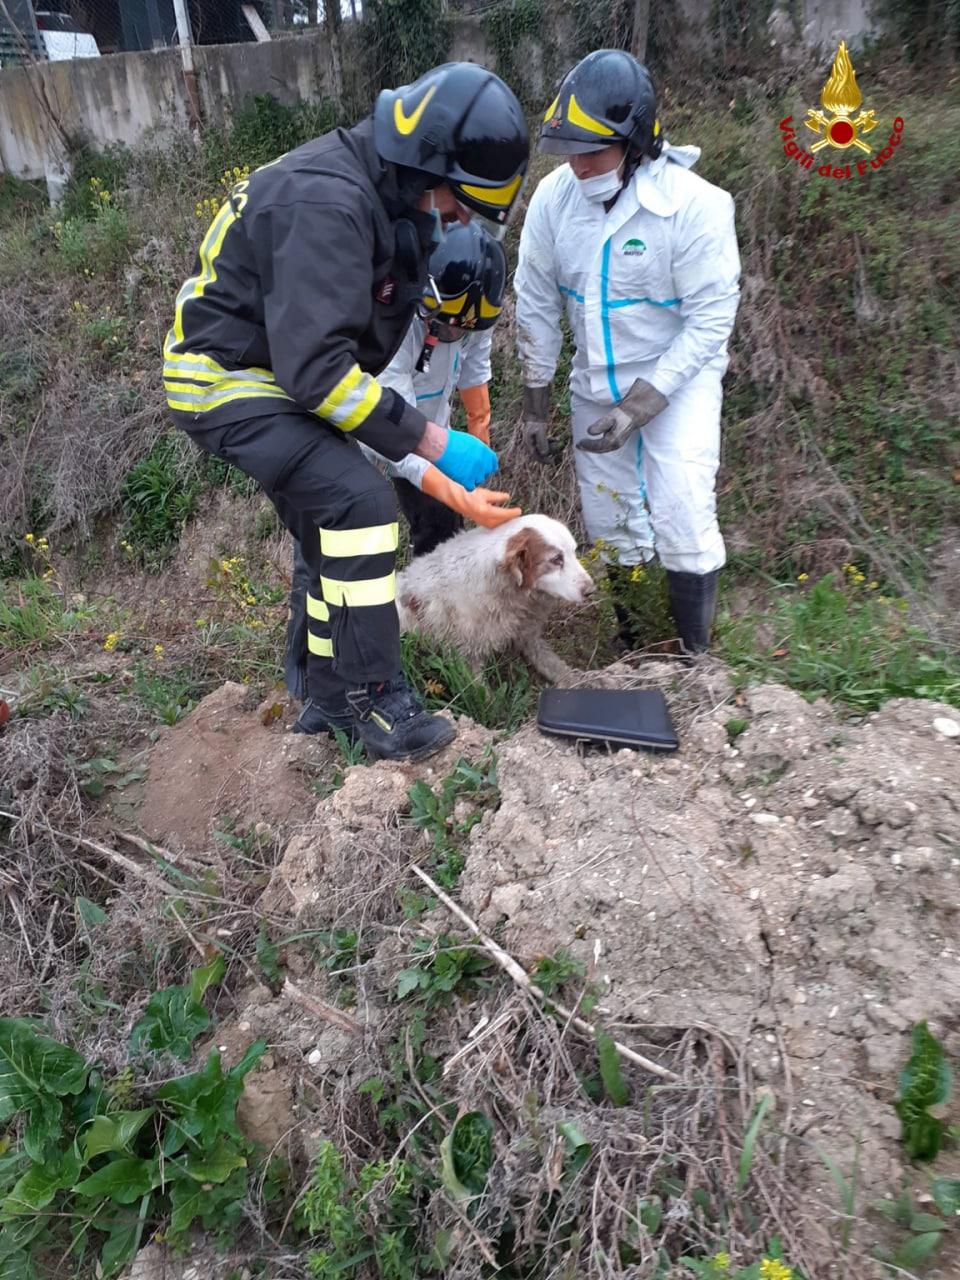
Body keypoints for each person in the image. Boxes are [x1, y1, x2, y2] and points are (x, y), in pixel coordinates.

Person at [163, 62, 529, 761]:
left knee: (330, 533)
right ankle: (375, 704)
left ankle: (328, 699)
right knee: (361, 506)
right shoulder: (327, 202)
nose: (454, 217)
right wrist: (429, 440)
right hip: (225, 379)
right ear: (429, 162)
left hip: (269, 375)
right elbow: (320, 370)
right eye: (457, 201)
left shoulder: (374, 189)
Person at [515, 49, 741, 654]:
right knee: (613, 522)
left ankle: (695, 661)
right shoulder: (553, 203)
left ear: (636, 142)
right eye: (570, 150)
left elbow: (711, 320)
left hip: (676, 383)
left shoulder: (695, 207)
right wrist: (536, 402)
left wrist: (640, 407)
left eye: (594, 150)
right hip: (595, 383)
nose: (579, 164)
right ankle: (637, 650)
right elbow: (534, 300)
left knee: (682, 509)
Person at [284, 220, 522, 704]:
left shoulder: (472, 315)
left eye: (465, 327)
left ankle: (432, 640)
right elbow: (390, 431)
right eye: (445, 325)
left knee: (442, 538)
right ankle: (314, 679)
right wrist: (448, 478)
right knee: (326, 554)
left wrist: (477, 429)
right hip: (356, 429)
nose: (454, 333)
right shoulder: (392, 318)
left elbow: (475, 367)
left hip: (430, 431)